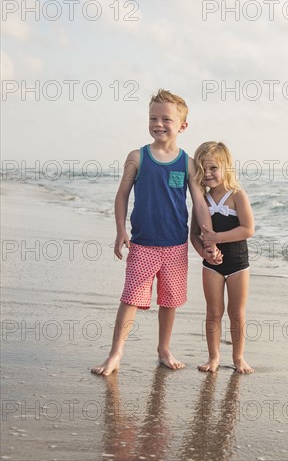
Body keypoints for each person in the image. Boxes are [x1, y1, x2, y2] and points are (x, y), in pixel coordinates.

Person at [92, 89, 221, 377]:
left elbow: (199, 203)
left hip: (175, 245)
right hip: (143, 244)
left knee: (169, 300)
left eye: (166, 119)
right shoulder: (137, 157)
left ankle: (164, 348)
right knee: (130, 299)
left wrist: (209, 237)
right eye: (153, 118)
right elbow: (122, 195)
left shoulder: (188, 163)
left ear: (182, 126)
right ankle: (116, 353)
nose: (158, 124)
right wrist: (120, 230)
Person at [190, 141, 255, 374]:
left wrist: (217, 237)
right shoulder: (202, 201)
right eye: (202, 169)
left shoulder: (237, 195)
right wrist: (204, 251)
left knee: (236, 313)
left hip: (238, 263)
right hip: (211, 265)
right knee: (214, 312)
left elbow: (248, 229)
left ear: (226, 167)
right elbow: (194, 236)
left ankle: (238, 358)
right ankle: (214, 357)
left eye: (213, 168)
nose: (207, 174)